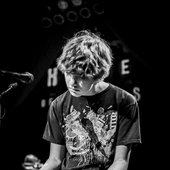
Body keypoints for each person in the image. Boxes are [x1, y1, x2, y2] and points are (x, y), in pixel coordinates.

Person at [40, 30, 141, 170]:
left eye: (80, 76)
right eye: (68, 73)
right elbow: (55, 159)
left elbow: (121, 162)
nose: (72, 82)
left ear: (97, 73)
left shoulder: (124, 101)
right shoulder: (58, 104)